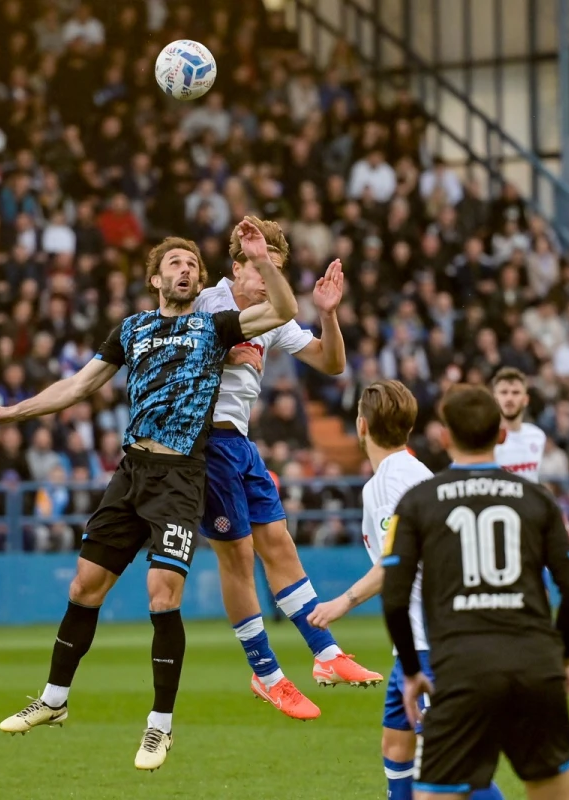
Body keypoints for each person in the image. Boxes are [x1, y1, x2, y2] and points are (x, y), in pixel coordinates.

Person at [0, 221, 297, 771]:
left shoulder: (213, 326)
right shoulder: (131, 330)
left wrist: (259, 260)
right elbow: (77, 386)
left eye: (193, 266)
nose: (186, 270)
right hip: (131, 473)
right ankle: (53, 701)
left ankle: (159, 728)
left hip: (179, 479)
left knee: (162, 596)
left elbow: (285, 311)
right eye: (175, 264)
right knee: (84, 585)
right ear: (155, 278)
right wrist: (14, 411)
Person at [194, 216, 381, 721]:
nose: (268, 281)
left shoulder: (273, 317)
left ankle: (325, 653)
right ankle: (267, 673)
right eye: (260, 270)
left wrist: (330, 315)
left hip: (239, 442)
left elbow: (331, 363)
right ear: (237, 269)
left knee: (278, 544)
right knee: (236, 559)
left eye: (276, 272)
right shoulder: (208, 302)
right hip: (204, 441)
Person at [382, 384, 569, 800]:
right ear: (500, 435)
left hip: (460, 670)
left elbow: (395, 598)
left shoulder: (418, 502)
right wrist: (561, 656)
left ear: (444, 437)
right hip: (534, 665)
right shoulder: (540, 500)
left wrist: (410, 670)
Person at [307, 380, 505, 800]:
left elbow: (395, 562)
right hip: (419, 642)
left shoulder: (384, 485)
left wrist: (341, 603)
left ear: (361, 425)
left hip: (433, 641)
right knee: (395, 746)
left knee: (452, 762)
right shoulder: (417, 473)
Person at [492, 367, 547, 483]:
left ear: (525, 400)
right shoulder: (486, 440)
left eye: (515, 393)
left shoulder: (537, 436)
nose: (509, 398)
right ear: (495, 399)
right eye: (504, 392)